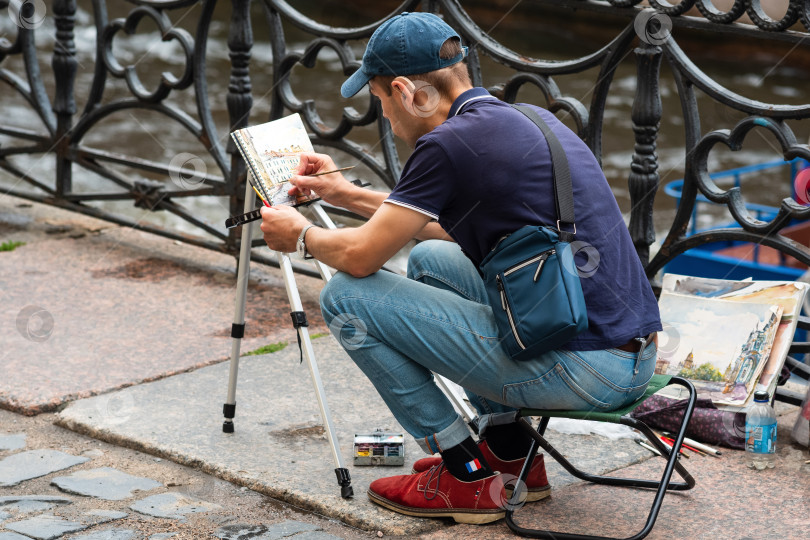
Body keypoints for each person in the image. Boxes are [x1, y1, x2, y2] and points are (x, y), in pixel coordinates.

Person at [260, 11, 661, 525]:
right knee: (433, 259)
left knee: (346, 297)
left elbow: (361, 257)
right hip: (630, 354)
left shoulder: (445, 146)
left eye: (380, 99)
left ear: (407, 92)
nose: (383, 115)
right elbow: (447, 229)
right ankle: (512, 454)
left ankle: (465, 475)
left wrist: (300, 236)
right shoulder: (522, 118)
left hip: (588, 371)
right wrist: (347, 195)